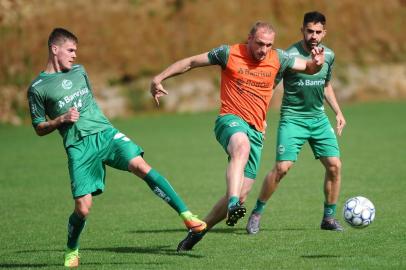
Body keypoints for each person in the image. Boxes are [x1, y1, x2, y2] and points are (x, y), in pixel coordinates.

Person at [27, 28, 206, 268]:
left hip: (106, 134)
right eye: (70, 50)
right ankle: (72, 249)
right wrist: (60, 120)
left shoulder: (80, 72)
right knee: (83, 207)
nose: (74, 55)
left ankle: (188, 217)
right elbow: (39, 127)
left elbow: (89, 103)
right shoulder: (38, 88)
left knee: (140, 165)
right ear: (54, 48)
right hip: (78, 146)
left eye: (76, 51)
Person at [150, 21, 325, 251]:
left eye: (268, 45)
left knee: (243, 194)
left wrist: (317, 63)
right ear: (250, 38)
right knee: (240, 148)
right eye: (260, 44)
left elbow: (309, 68)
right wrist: (159, 78)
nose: (263, 50)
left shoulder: (279, 58)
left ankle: (200, 229)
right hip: (230, 120)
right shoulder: (228, 53)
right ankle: (232, 202)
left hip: (256, 130)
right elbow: (191, 62)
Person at [246, 11, 346, 234]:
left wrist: (338, 112)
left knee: (335, 166)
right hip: (293, 119)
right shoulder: (288, 56)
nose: (314, 36)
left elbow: (326, 85)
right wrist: (259, 117)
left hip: (318, 119)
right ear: (302, 30)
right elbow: (269, 87)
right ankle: (256, 213)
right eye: (309, 31)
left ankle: (328, 218)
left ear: (324, 33)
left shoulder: (328, 55)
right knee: (282, 168)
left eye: (318, 32)